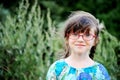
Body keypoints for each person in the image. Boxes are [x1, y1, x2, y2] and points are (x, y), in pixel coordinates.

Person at [46, 11, 110, 80]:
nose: (80, 39)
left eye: (87, 35)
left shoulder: (100, 72)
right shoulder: (56, 69)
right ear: (67, 38)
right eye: (75, 34)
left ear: (95, 41)